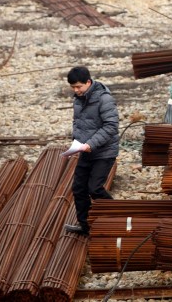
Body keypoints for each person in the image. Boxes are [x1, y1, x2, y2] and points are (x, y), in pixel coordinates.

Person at [64, 66, 119, 235]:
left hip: (104, 152)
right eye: (73, 87)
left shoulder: (104, 99)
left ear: (88, 82)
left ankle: (119, 217)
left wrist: (91, 144)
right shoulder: (78, 99)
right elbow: (77, 122)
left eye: (79, 86)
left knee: (94, 189)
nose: (76, 90)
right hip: (85, 150)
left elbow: (111, 126)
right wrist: (77, 140)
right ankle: (85, 226)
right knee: (79, 189)